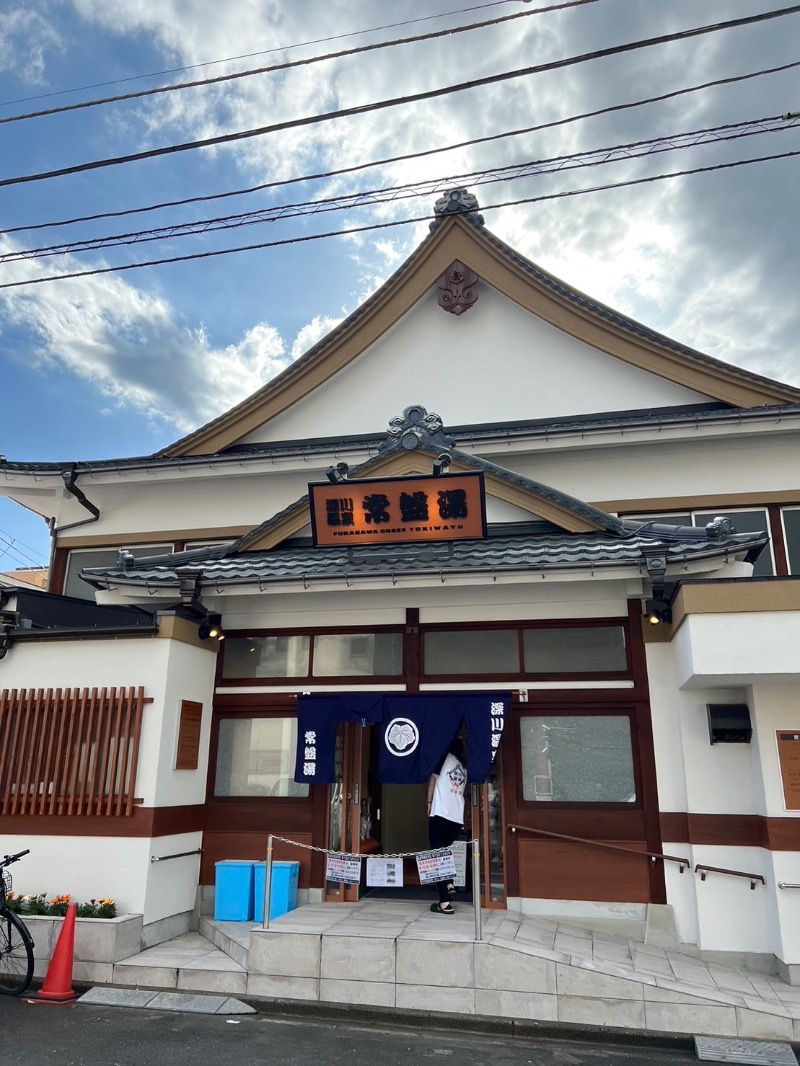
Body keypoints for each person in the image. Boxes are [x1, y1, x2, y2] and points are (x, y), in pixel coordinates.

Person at [426, 736, 467, 914]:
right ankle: (449, 882)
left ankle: (444, 903)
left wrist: (428, 802)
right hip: (456, 819)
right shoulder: (464, 767)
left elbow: (433, 780)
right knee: (444, 853)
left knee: (437, 859)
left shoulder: (442, 758)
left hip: (441, 815)